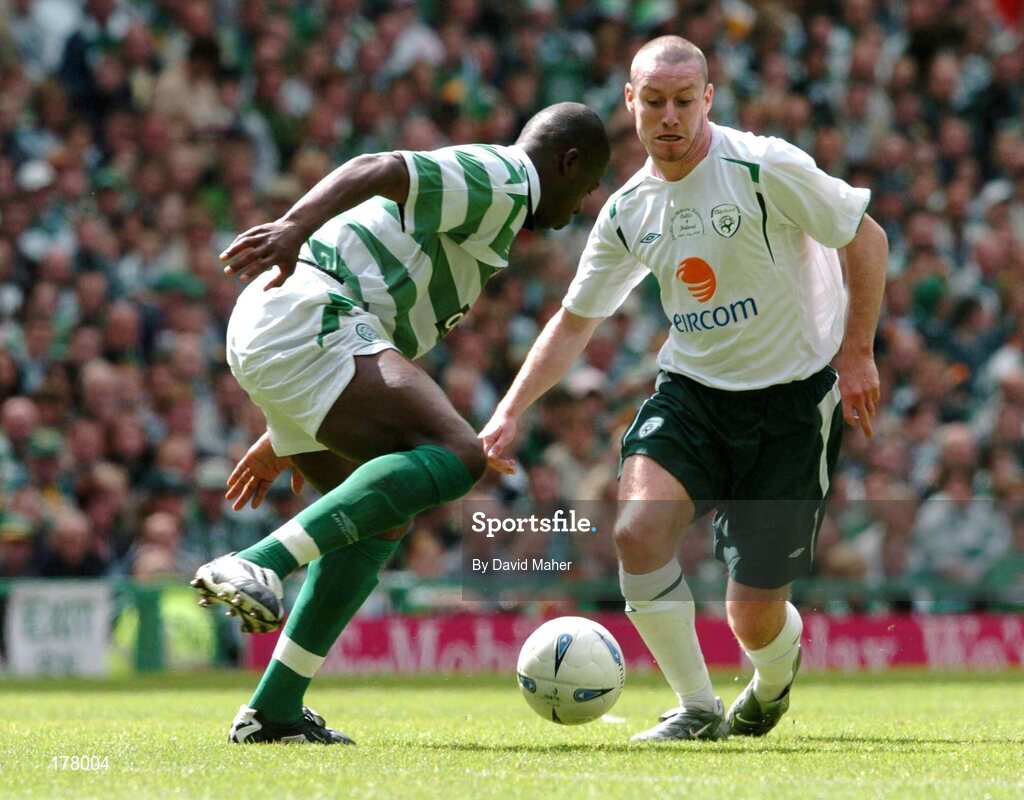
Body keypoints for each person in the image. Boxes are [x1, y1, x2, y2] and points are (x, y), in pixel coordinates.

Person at [481, 37, 888, 741]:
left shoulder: (765, 167)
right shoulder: (628, 210)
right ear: (631, 104)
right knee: (636, 531)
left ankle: (772, 678)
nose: (669, 116)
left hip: (793, 404)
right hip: (693, 393)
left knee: (752, 617)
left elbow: (867, 237)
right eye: (654, 101)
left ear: (707, 99)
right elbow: (575, 322)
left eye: (683, 100)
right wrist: (510, 410)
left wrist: (857, 352)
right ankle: (698, 709)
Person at [191, 102, 610, 744]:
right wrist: (292, 226)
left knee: (380, 522)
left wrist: (284, 437)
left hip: (299, 334)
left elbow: (373, 359)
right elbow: (380, 166)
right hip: (309, 306)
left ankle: (273, 710)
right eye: (585, 189)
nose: (580, 207)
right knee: (458, 454)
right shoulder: (506, 178)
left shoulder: (489, 226)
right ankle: (259, 561)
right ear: (568, 162)